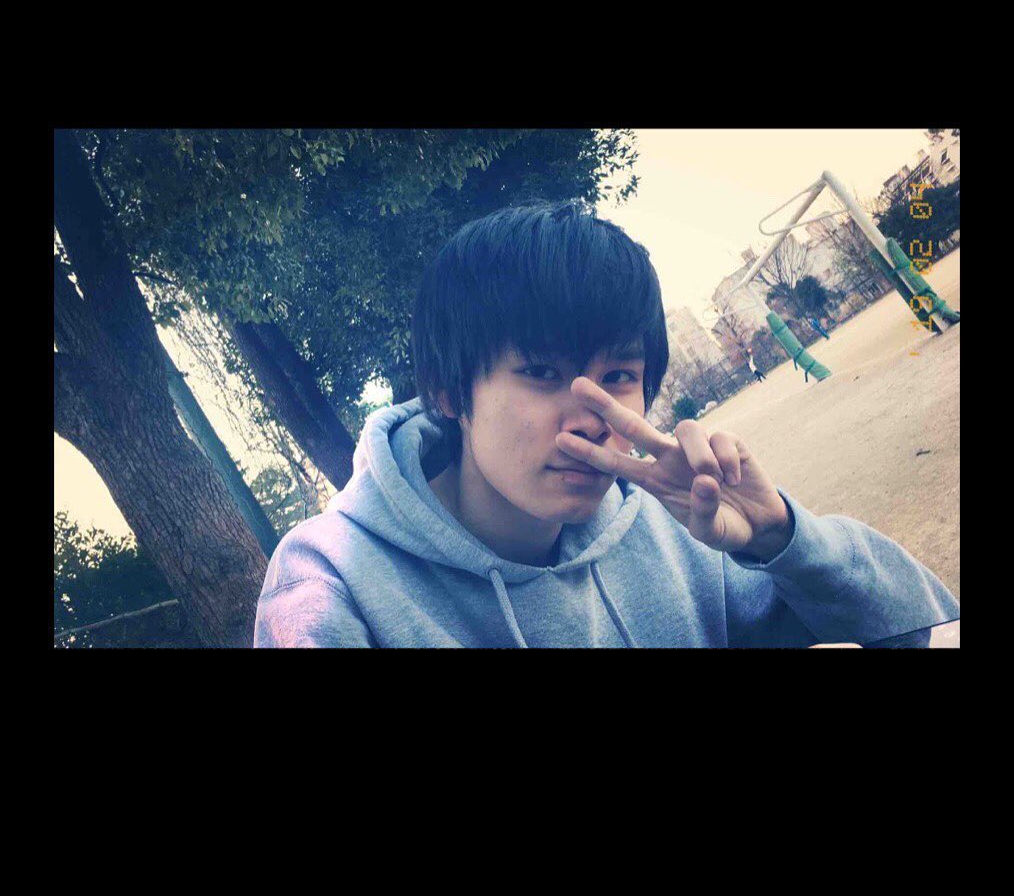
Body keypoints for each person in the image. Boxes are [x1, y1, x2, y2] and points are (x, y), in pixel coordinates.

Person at [254, 201, 958, 648]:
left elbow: (915, 628)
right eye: (541, 372)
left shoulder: (673, 525)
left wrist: (782, 538)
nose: (593, 420)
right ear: (447, 391)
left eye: (618, 376)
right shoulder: (333, 584)